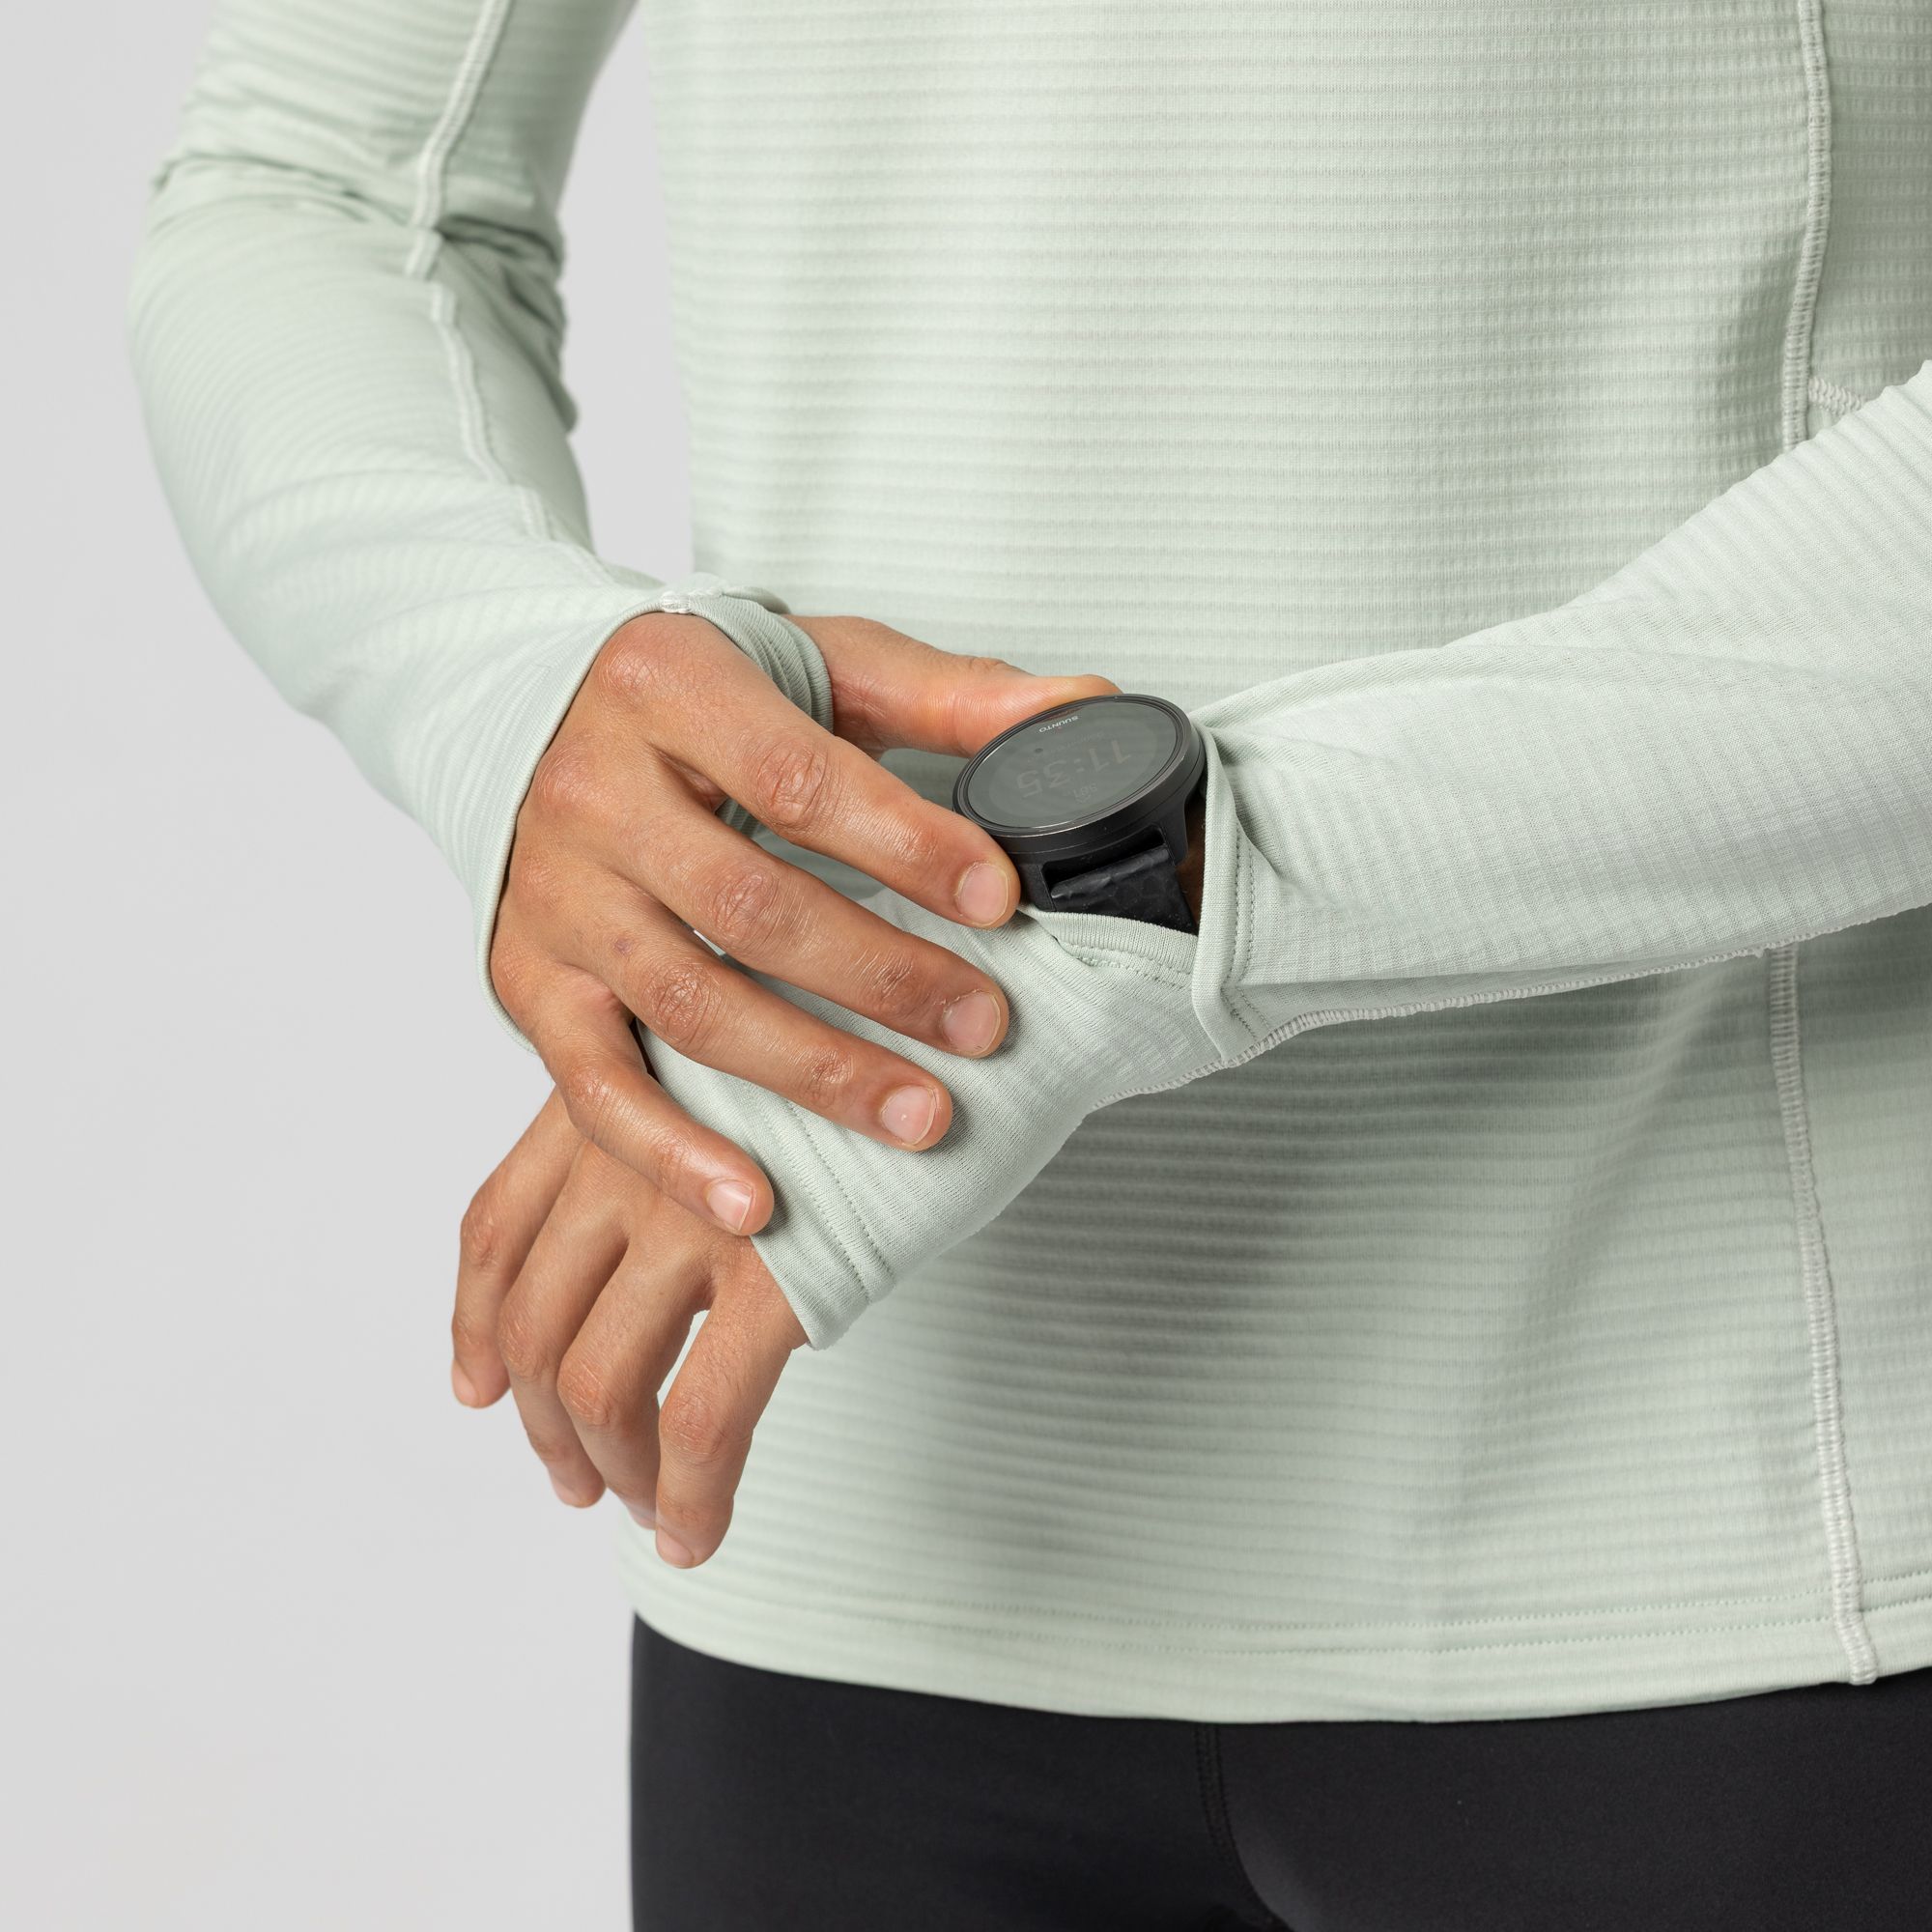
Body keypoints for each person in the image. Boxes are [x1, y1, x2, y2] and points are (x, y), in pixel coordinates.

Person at [131, 2, 1932, 1925]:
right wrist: (522, 685)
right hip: (841, 1522)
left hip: (1737, 1540)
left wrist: (1138, 907)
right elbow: (323, 177)